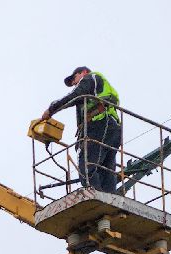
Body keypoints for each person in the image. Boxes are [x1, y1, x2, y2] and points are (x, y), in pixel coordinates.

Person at [41, 66, 122, 194]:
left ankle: (96, 199)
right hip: (114, 127)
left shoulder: (90, 77)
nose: (74, 83)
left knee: (86, 166)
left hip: (100, 123)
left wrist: (51, 109)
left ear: (83, 72)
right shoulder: (98, 86)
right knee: (106, 170)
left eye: (74, 78)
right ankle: (110, 200)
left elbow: (76, 95)